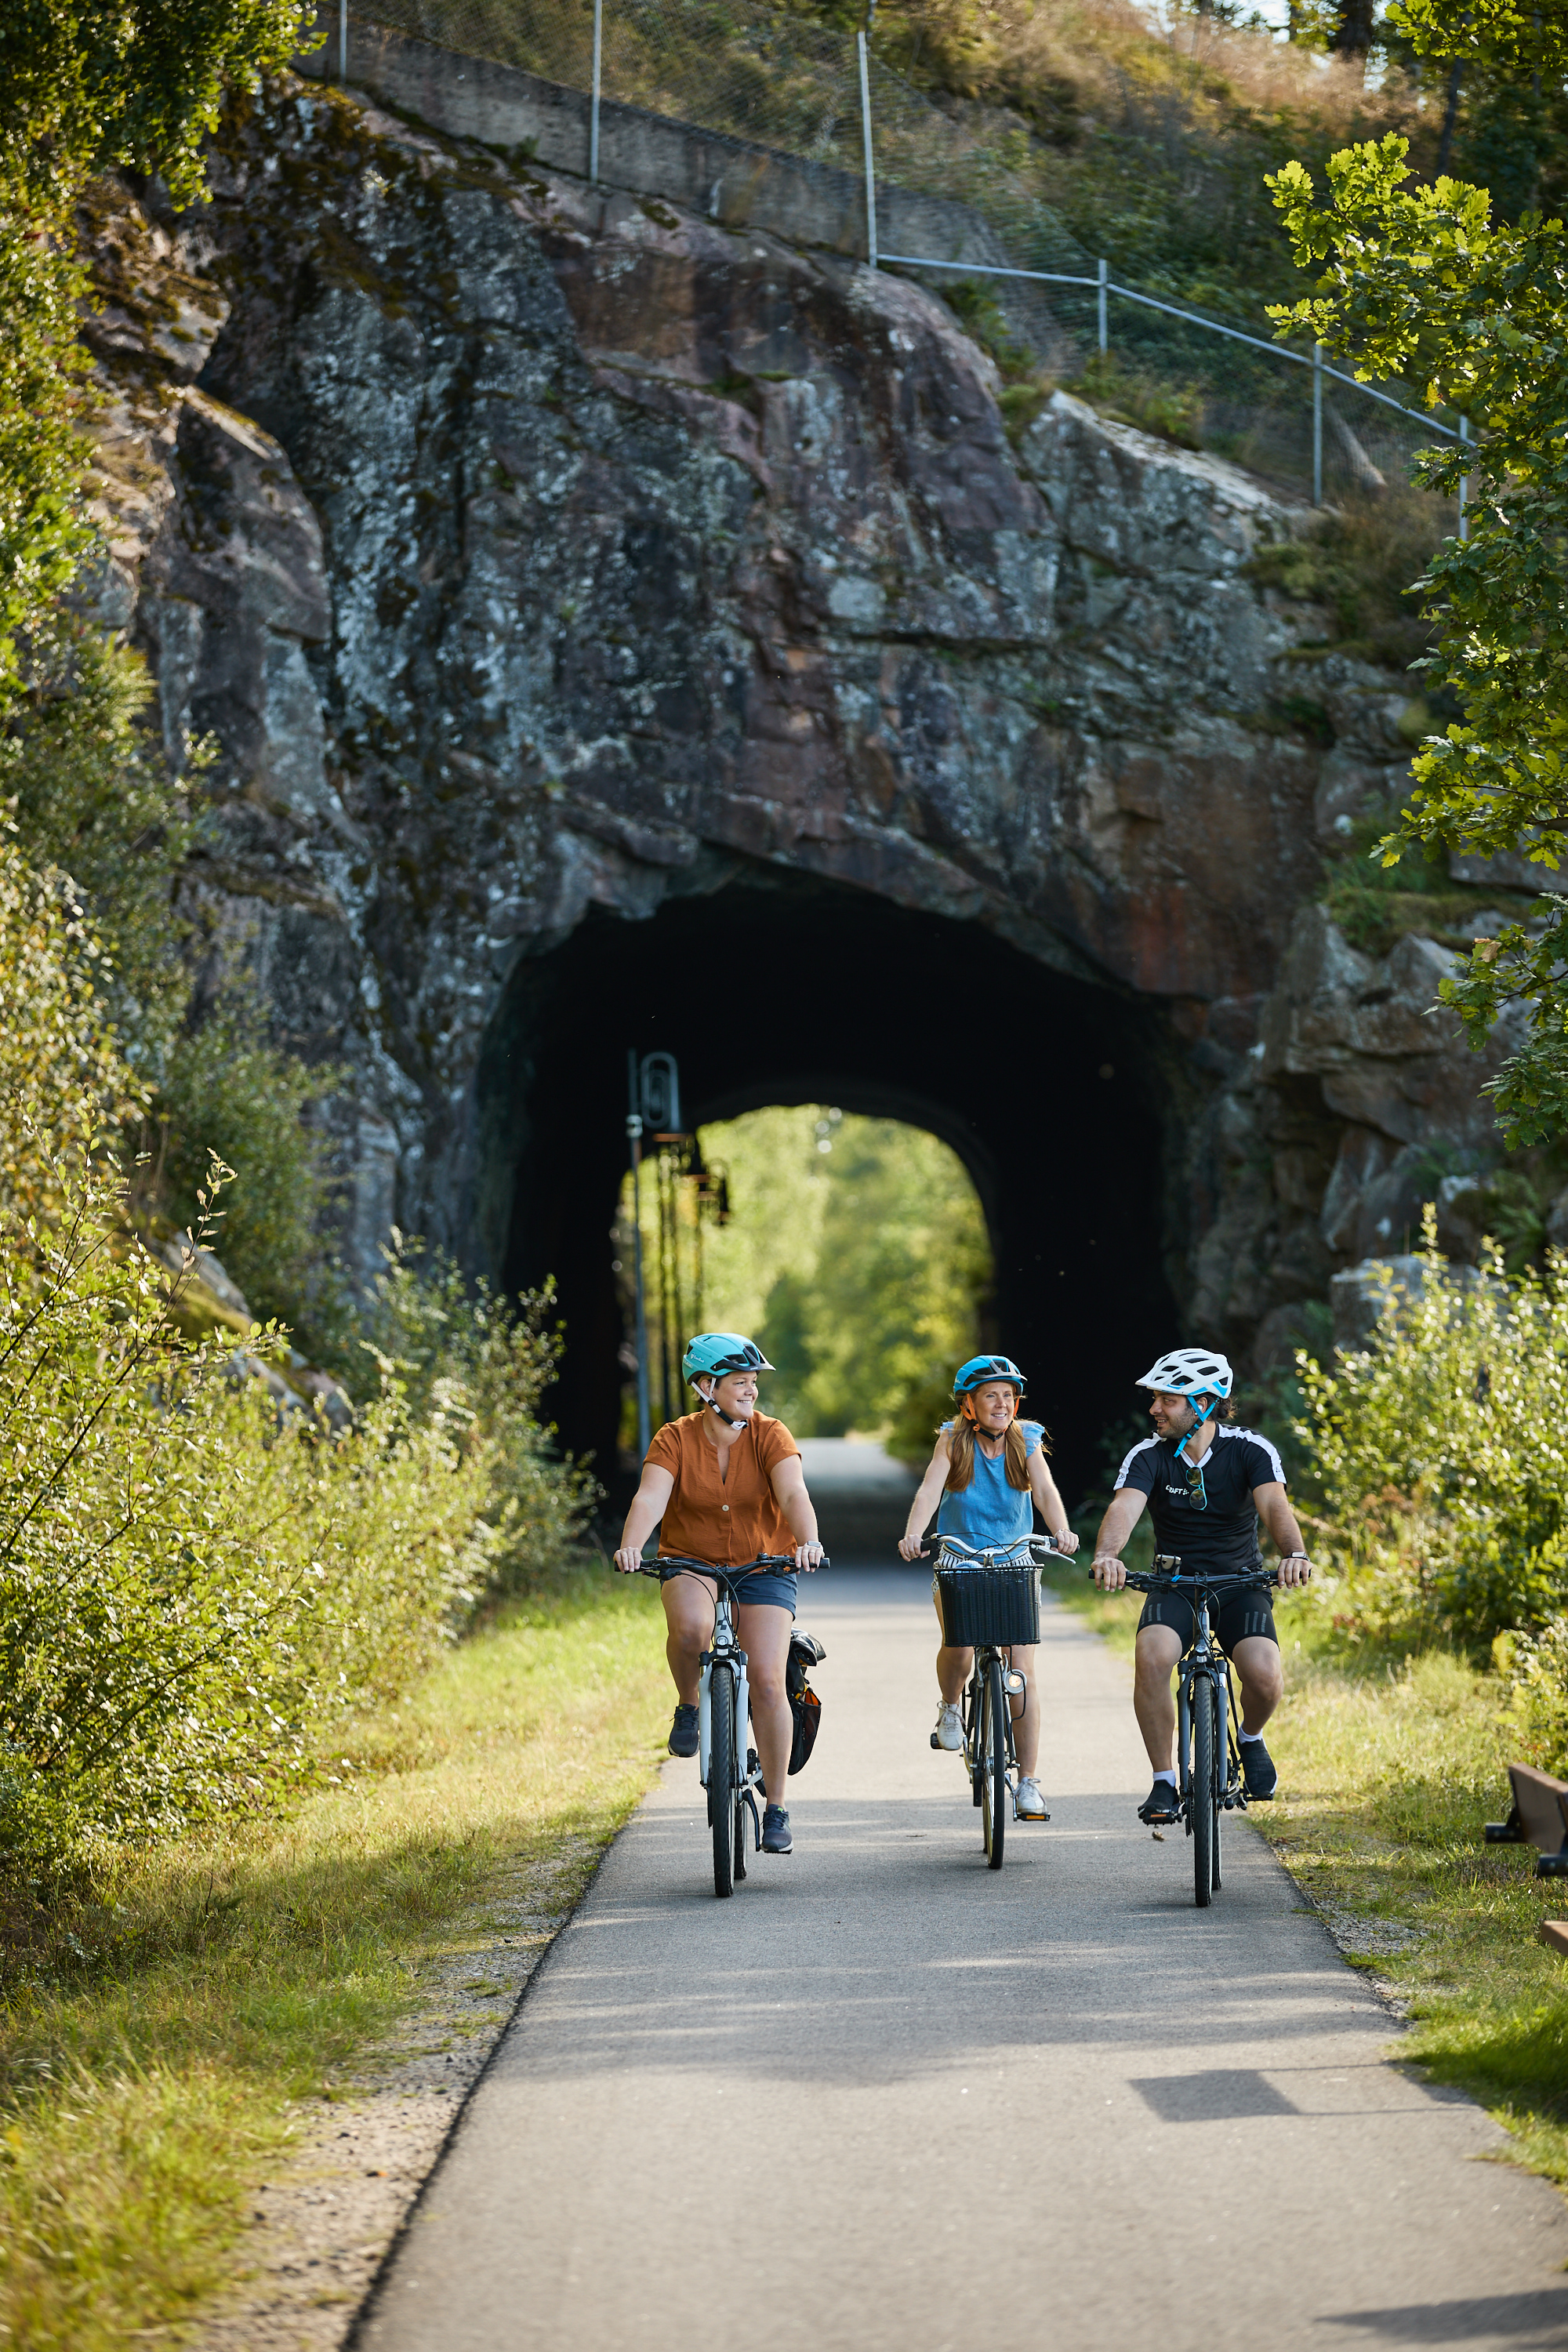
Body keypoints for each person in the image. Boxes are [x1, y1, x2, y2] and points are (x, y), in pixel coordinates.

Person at [613, 1331, 824, 1856]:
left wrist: (809, 1541)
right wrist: (631, 1546)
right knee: (691, 1628)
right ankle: (689, 1704)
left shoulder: (770, 1434)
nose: (751, 1391)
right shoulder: (674, 1438)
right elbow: (650, 1496)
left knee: (769, 1682)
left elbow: (793, 1491)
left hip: (766, 1563)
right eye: (739, 1382)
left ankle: (776, 1806)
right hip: (693, 1559)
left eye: (754, 1382)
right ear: (706, 1387)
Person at [1091, 1348, 1312, 1824]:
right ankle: (1164, 1781)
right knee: (1152, 1656)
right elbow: (1124, 1508)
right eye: (1155, 1399)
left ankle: (1250, 1738)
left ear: (1203, 1405)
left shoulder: (1250, 1450)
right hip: (1174, 1584)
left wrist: (1294, 1553)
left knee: (1264, 1675)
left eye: (1168, 1400)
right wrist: (1107, 1555)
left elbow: (1275, 1506)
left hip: (1240, 1583)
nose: (1155, 1409)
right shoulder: (1148, 1456)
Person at [898, 1355, 1078, 1823]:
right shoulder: (952, 1440)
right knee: (959, 1649)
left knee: (1022, 1674)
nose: (1002, 1403)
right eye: (990, 1396)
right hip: (960, 1556)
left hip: (1015, 1558)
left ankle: (1029, 1783)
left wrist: (1060, 1529)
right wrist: (914, 1533)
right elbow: (929, 1491)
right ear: (969, 1405)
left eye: (1008, 1396)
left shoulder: (1026, 1439)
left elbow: (1045, 1491)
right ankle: (950, 1707)